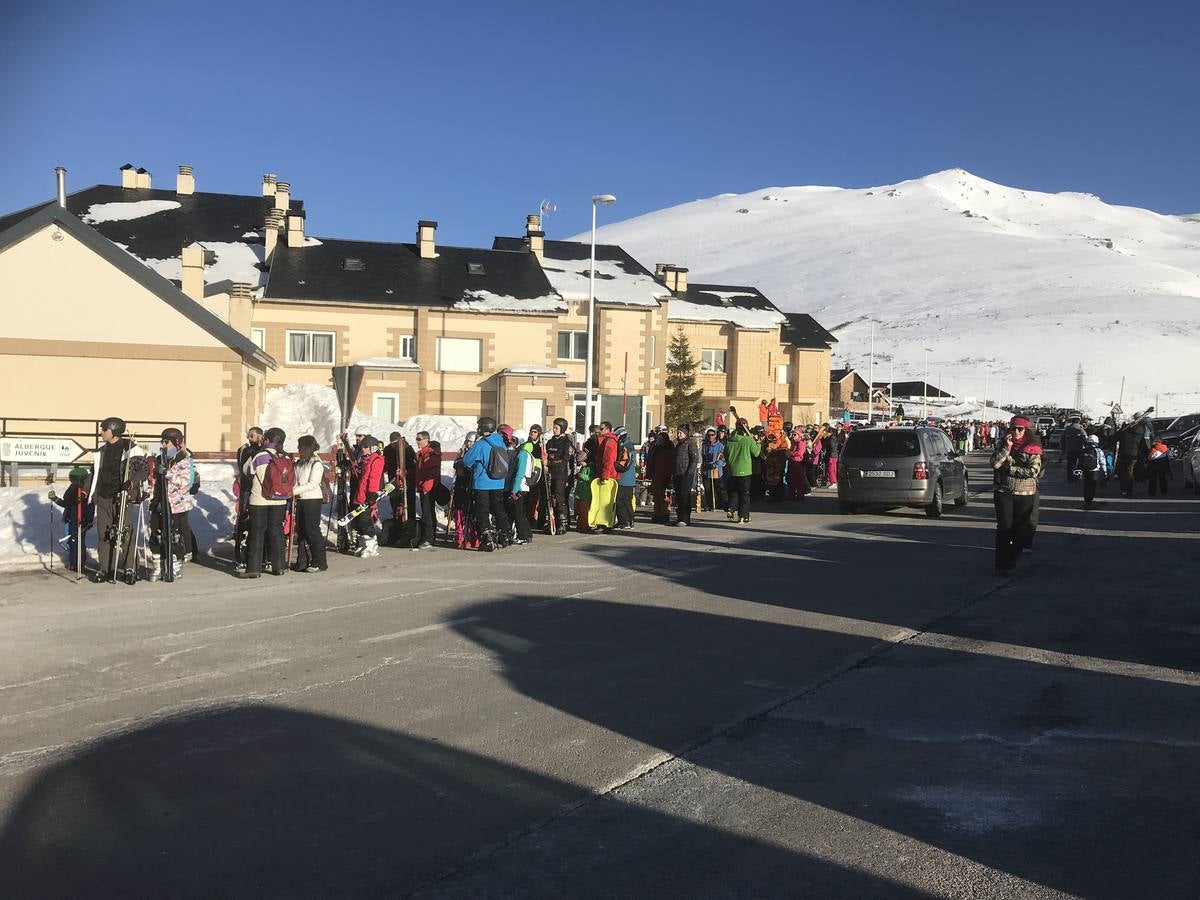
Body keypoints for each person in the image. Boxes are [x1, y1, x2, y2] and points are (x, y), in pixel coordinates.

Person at [89, 417, 147, 583]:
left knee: (125, 533)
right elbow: (94, 474)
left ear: (113, 430)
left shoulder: (131, 449)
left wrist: (132, 482)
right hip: (103, 497)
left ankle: (130, 568)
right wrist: (86, 490)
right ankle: (106, 568)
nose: (101, 432)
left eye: (103, 429)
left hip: (122, 497)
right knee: (104, 534)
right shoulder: (101, 451)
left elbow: (143, 471)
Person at [991, 416, 1043, 574]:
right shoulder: (1003, 444)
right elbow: (995, 463)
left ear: (1026, 430)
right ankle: (1001, 564)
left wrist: (1010, 469)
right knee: (1004, 528)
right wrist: (1007, 448)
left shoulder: (1033, 448)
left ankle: (1013, 556)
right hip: (1003, 492)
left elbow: (1033, 471)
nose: (1017, 432)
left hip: (1025, 493)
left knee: (1021, 530)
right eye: (1014, 428)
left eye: (1020, 429)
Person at [238, 426, 289, 578]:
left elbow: (247, 471)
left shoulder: (259, 456)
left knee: (257, 533)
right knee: (276, 533)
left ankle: (253, 568)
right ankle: (278, 566)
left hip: (259, 500)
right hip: (279, 500)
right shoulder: (285, 458)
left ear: (266, 439)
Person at [149, 427, 195, 581]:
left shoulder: (183, 459)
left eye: (166, 441)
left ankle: (175, 565)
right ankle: (158, 565)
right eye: (162, 441)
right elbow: (153, 482)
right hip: (159, 502)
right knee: (156, 534)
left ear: (176, 443)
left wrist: (167, 474)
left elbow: (185, 482)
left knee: (174, 535)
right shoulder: (159, 459)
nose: (163, 445)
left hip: (176, 504)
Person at [462, 416, 512, 551]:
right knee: (499, 509)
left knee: (482, 511)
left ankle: (487, 538)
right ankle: (505, 534)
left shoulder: (481, 444)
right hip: (499, 482)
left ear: (483, 428)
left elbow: (467, 461)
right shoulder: (500, 441)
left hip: (483, 483)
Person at [291, 435, 329, 572]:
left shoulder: (316, 463)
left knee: (312, 531)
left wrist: (294, 491)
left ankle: (320, 562)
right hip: (301, 499)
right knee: (301, 532)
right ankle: (302, 561)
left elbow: (313, 484)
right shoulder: (300, 462)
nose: (298, 449)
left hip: (312, 499)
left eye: (300, 446)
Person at [48, 467, 94, 572]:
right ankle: (73, 562)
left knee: (79, 542)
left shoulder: (86, 491)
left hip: (81, 520)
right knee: (72, 542)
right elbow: (66, 504)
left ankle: (80, 563)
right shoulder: (72, 489)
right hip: (71, 519)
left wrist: (88, 520)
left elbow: (90, 506)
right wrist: (55, 499)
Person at [234, 427, 264, 570]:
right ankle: (242, 557)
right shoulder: (246, 450)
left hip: (255, 490)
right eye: (248, 435)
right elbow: (245, 469)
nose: (249, 438)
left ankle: (257, 556)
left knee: (255, 523)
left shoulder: (260, 450)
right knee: (246, 522)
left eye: (252, 435)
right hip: (247, 490)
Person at [351, 435, 385, 557]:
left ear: (372, 448)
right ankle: (364, 544)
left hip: (368, 495)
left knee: (365, 521)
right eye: (362, 447)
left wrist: (371, 494)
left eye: (365, 447)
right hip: (361, 494)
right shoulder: (366, 460)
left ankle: (372, 546)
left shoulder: (376, 460)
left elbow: (373, 479)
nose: (363, 449)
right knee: (359, 521)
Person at [725, 418, 762, 524]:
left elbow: (726, 455)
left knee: (734, 492)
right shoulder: (748, 440)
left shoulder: (730, 440)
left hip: (732, 470)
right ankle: (743, 515)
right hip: (745, 471)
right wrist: (758, 443)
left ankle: (731, 508)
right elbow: (756, 453)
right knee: (744, 494)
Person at [383, 431, 416, 547]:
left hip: (404, 482)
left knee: (405, 508)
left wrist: (405, 473)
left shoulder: (406, 449)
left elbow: (413, 466)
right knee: (400, 508)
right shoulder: (390, 450)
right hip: (398, 482)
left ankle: (406, 533)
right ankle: (400, 532)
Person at [505, 429, 537, 545]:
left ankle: (523, 535)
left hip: (520, 487)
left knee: (517, 513)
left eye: (514, 440)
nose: (512, 442)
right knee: (520, 513)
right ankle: (527, 534)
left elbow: (520, 473)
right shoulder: (520, 452)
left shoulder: (523, 454)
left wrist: (514, 490)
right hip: (521, 487)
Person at [413, 431, 442, 549]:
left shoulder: (431, 454)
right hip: (423, 487)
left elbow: (433, 473)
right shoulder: (422, 453)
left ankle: (429, 538)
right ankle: (428, 537)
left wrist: (426, 488)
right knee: (427, 513)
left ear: (426, 440)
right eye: (416, 439)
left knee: (428, 514)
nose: (417, 441)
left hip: (428, 489)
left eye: (419, 439)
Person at [545, 418, 575, 534]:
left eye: (556, 428)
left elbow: (564, 460)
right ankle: (553, 521)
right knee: (550, 498)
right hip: (550, 474)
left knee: (560, 498)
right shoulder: (550, 442)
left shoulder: (566, 443)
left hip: (561, 475)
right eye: (553, 427)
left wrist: (550, 462)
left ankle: (563, 523)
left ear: (562, 429)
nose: (554, 429)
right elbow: (547, 454)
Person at [672, 424, 698, 526]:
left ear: (685, 434)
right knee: (678, 496)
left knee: (684, 496)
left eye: (680, 433)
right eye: (678, 433)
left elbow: (694, 459)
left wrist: (689, 472)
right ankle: (679, 518)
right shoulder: (678, 444)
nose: (678, 435)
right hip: (677, 473)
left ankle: (685, 519)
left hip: (686, 474)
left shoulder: (690, 443)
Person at [647, 427, 675, 524]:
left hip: (665, 475)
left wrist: (670, 478)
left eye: (661, 439)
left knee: (663, 497)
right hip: (656, 474)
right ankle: (657, 514)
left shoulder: (669, 449)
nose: (659, 440)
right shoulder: (656, 448)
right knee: (657, 496)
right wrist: (649, 472)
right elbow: (651, 461)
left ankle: (664, 515)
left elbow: (670, 465)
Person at [614, 426, 638, 529]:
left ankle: (624, 522)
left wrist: (614, 465)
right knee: (627, 501)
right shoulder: (630, 445)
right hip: (630, 478)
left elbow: (623, 464)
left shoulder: (625, 447)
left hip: (624, 478)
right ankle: (630, 521)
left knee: (620, 500)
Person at [701, 428, 726, 512]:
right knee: (707, 489)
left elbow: (723, 458)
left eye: (712, 435)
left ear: (715, 435)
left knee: (717, 488)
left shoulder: (720, 446)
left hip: (716, 470)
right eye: (709, 435)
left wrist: (716, 464)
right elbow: (701, 456)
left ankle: (720, 503)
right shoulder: (704, 445)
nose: (710, 437)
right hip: (706, 470)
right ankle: (709, 504)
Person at [1080, 433, 1107, 510]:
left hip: (1085, 470)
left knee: (1086, 486)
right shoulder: (1098, 450)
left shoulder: (1084, 450)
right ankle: (1090, 502)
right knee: (1092, 487)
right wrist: (1105, 473)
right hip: (1094, 471)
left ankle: (1086, 501)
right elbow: (1102, 462)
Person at [1062, 416, 1087, 481]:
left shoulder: (1067, 429)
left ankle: (1069, 477)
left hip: (1069, 449)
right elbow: (1085, 439)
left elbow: (1062, 439)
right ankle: (1077, 477)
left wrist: (1063, 448)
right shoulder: (1081, 429)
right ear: (1079, 422)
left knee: (1070, 464)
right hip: (1079, 449)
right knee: (1079, 464)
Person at [787, 428, 809, 501]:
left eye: (795, 434)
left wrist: (791, 453)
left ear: (799, 435)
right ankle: (791, 495)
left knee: (798, 480)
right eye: (792, 434)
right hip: (792, 462)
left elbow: (800, 453)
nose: (793, 436)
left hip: (798, 463)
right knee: (791, 480)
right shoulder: (793, 442)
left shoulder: (801, 442)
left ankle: (800, 495)